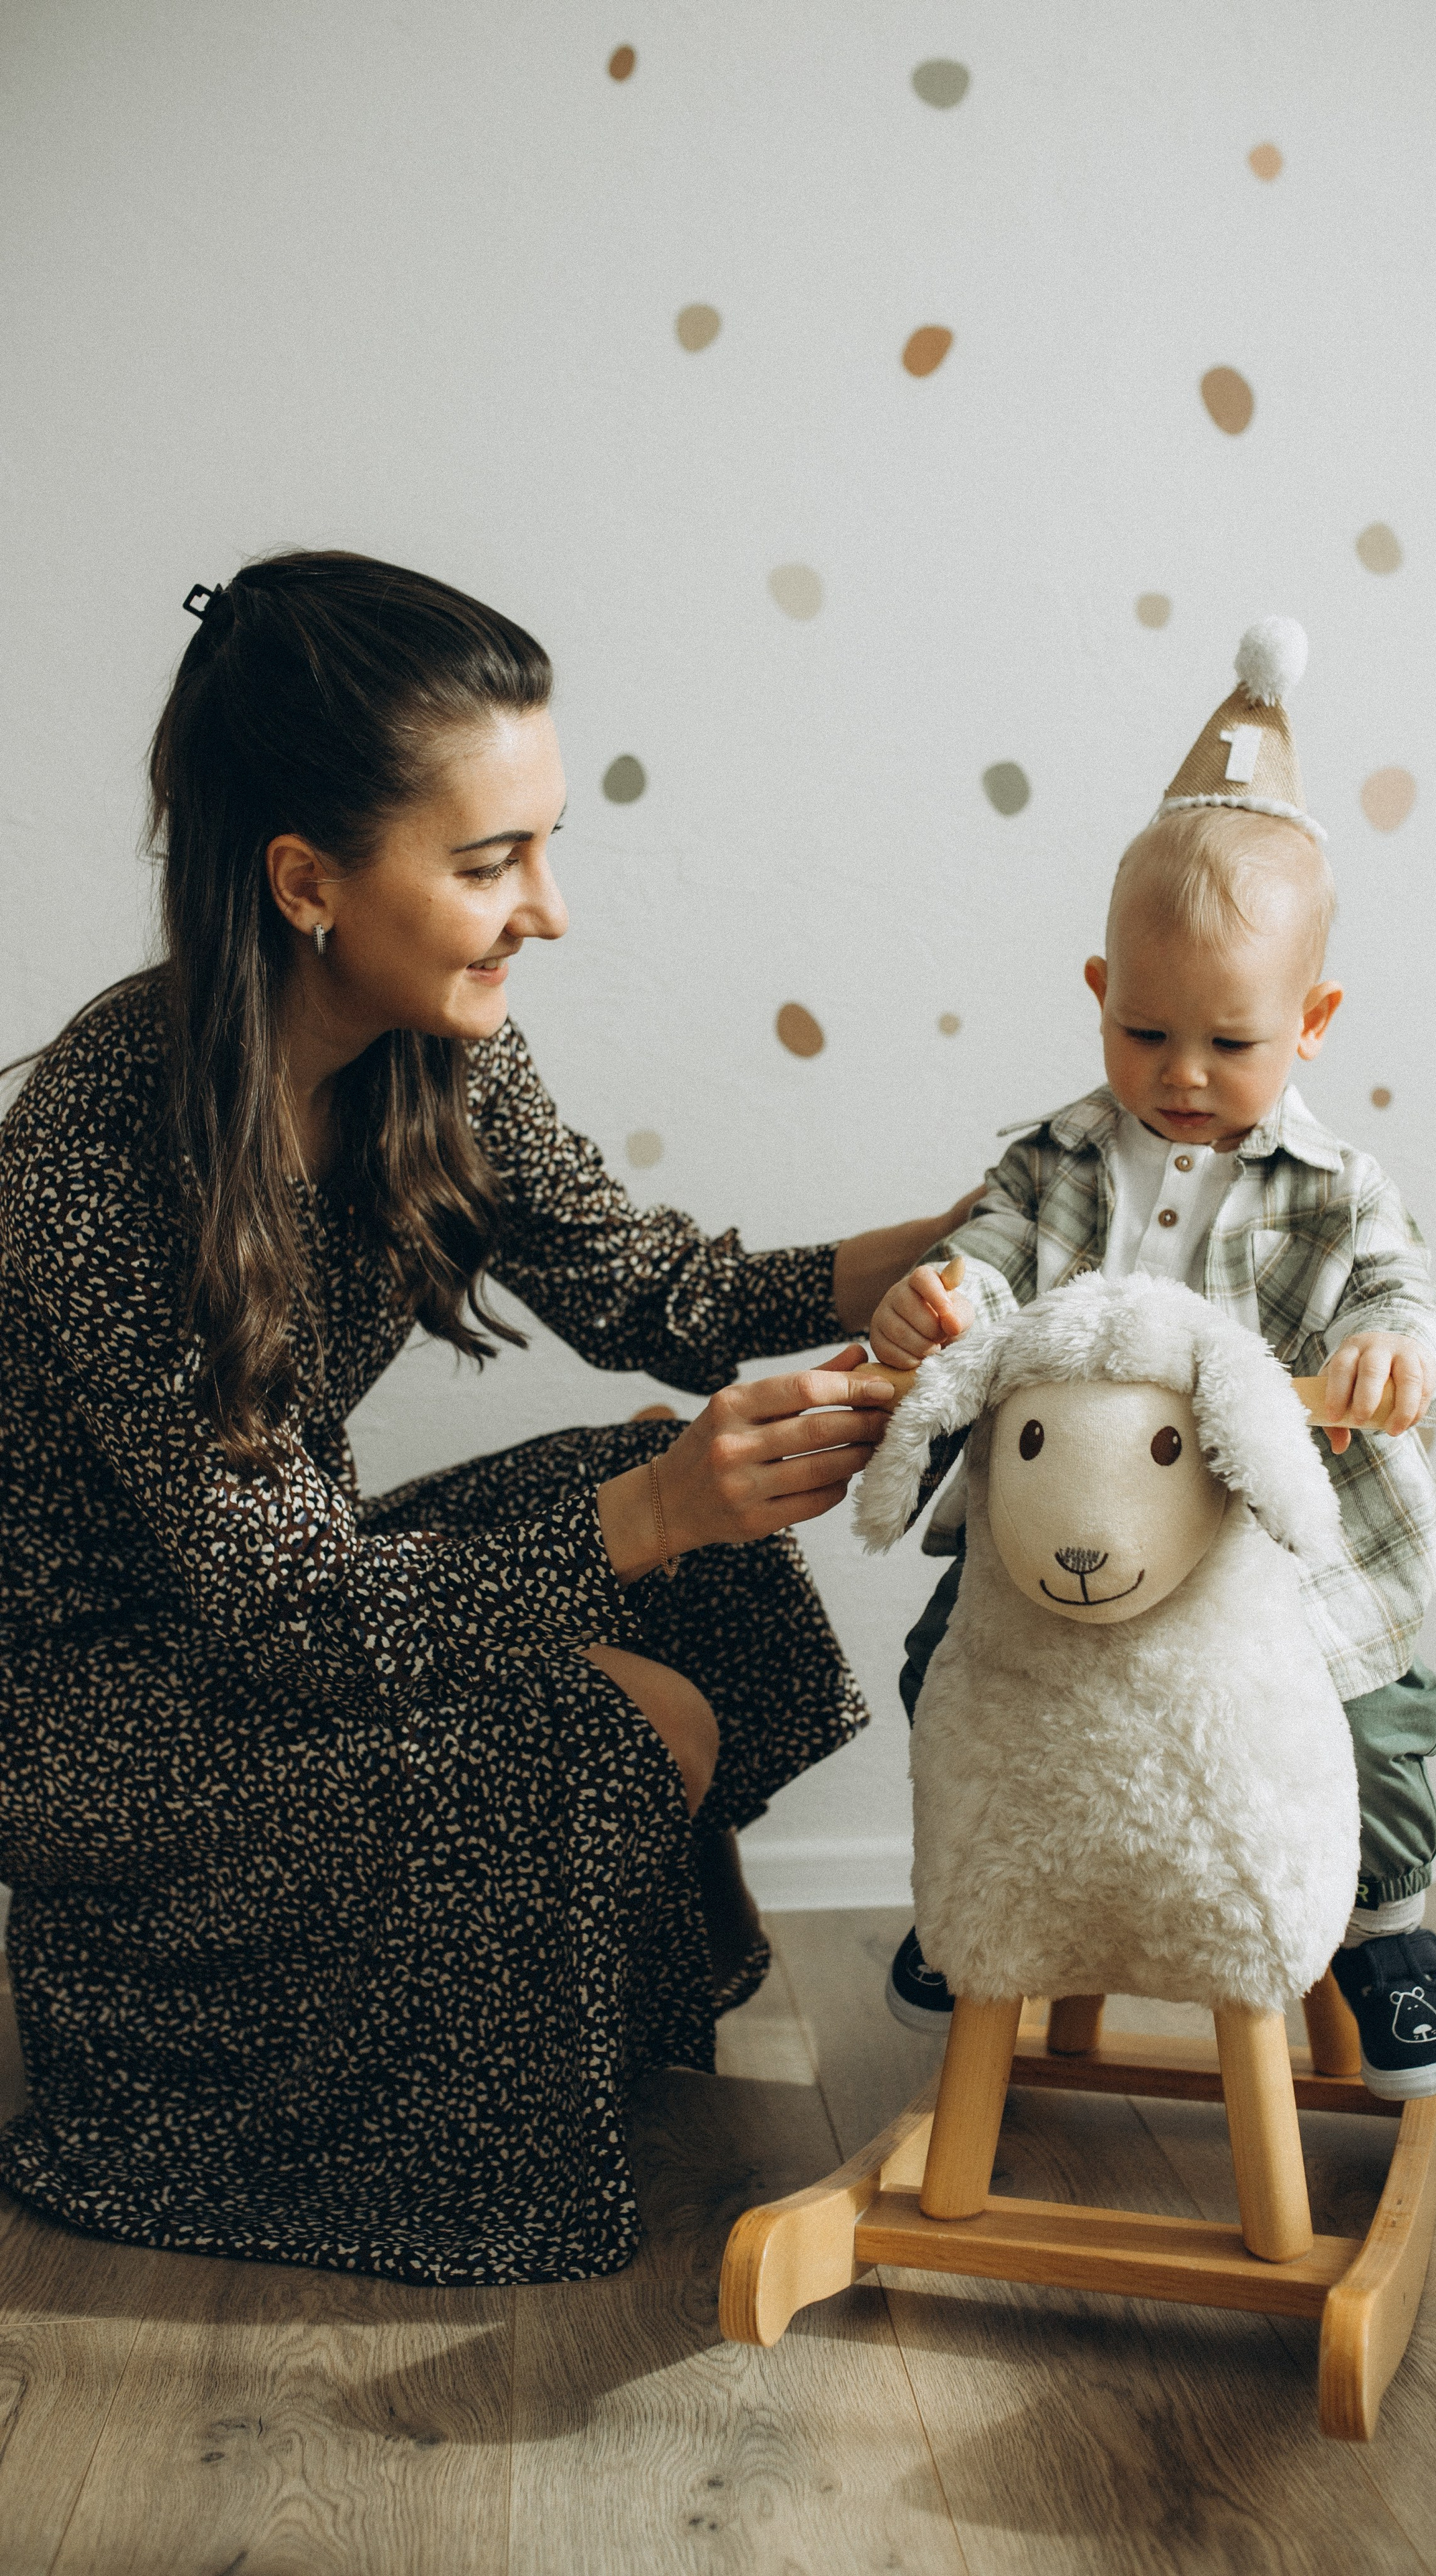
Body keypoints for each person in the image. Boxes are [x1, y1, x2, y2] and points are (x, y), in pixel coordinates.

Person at [0, 549, 975, 2284]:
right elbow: (288, 1618)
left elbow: (655, 1292)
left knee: (698, 1585)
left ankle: (512, 2018)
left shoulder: (435, 1046)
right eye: (487, 862)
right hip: (89, 1705)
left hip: (277, 1603)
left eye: (548, 844)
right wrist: (660, 1510)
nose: (549, 907)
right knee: (602, 1696)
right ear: (307, 880)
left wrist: (981, 1225)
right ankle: (260, 2094)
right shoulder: (98, 1156)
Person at [866, 621, 1436, 2101]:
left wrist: (1394, 1351)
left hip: (1265, 1551)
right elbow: (995, 1253)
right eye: (1144, 1031)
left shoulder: (1334, 1191)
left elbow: (1412, 1302)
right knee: (939, 1662)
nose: (1181, 1074)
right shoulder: (1061, 1156)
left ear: (1311, 1025)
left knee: (1373, 1716)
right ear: (1096, 992)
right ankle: (990, 1894)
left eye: (1229, 1040)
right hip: (1075, 1535)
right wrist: (938, 1293)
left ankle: (1376, 1932)